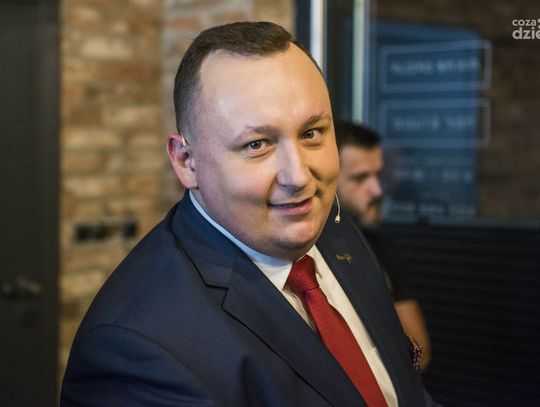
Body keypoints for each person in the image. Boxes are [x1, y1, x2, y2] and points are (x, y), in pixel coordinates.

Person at [61, 22, 438, 406]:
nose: (299, 177)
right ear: (187, 162)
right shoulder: (137, 348)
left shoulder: (333, 229)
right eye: (257, 144)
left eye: (311, 133)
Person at [335, 120, 432, 371]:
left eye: (378, 174)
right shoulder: (305, 253)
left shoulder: (380, 248)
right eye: (360, 178)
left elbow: (420, 353)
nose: (377, 190)